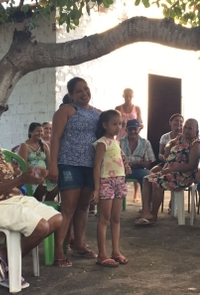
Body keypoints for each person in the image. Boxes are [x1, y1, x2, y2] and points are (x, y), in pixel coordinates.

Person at [0, 114, 62, 286]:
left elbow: (12, 174)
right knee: (41, 226)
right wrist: (20, 180)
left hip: (13, 199)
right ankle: (10, 261)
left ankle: (6, 254)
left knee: (57, 219)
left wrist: (34, 173)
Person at [49, 77, 100, 267]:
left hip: (90, 166)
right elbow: (55, 139)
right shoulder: (66, 111)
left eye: (86, 89)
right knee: (68, 207)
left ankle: (78, 244)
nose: (84, 93)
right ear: (71, 94)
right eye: (79, 91)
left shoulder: (97, 113)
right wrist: (53, 165)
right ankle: (59, 250)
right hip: (69, 164)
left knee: (83, 207)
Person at [135, 119, 200, 225]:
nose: (186, 130)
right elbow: (171, 142)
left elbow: (191, 166)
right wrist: (168, 148)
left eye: (190, 128)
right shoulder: (181, 137)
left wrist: (170, 170)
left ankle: (153, 216)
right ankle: (146, 212)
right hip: (169, 172)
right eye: (185, 127)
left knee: (157, 183)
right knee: (146, 179)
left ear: (196, 130)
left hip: (183, 176)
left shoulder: (196, 144)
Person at [92, 110, 130, 267]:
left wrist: (125, 165)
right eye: (114, 124)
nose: (118, 127)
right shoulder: (102, 143)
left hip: (119, 181)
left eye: (120, 124)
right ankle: (102, 254)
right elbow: (96, 166)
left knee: (116, 218)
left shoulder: (117, 142)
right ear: (105, 125)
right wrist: (96, 189)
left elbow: (120, 160)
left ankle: (115, 251)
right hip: (106, 181)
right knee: (104, 219)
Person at [115, 88, 144, 202]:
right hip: (120, 136)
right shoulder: (118, 108)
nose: (128, 98)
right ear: (123, 95)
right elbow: (114, 120)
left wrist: (135, 132)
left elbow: (141, 123)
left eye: (130, 96)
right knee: (121, 161)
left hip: (133, 136)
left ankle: (136, 193)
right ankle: (121, 192)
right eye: (126, 96)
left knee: (134, 160)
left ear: (133, 96)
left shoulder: (136, 108)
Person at [18, 122, 58, 201]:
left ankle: (48, 202)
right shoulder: (24, 145)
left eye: (41, 131)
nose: (40, 133)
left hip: (44, 175)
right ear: (30, 132)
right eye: (37, 131)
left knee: (59, 183)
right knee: (40, 186)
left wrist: (50, 173)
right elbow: (23, 165)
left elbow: (49, 163)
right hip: (31, 175)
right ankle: (38, 204)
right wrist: (37, 172)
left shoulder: (44, 146)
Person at [119, 119, 155, 203]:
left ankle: (146, 208)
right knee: (115, 178)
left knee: (150, 178)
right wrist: (126, 165)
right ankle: (116, 208)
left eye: (135, 129)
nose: (132, 131)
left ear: (139, 129)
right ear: (126, 130)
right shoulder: (119, 142)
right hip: (122, 169)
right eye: (130, 129)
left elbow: (148, 163)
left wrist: (135, 163)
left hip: (139, 170)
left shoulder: (145, 143)